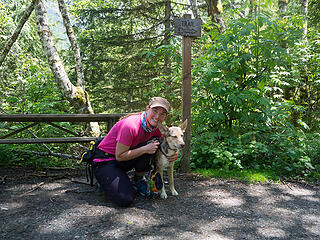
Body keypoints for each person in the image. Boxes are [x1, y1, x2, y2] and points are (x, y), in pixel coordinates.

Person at [93, 97, 179, 207]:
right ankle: (105, 181)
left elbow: (169, 141)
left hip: (125, 159)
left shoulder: (156, 128)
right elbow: (119, 156)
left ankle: (138, 179)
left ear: (165, 116)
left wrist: (175, 153)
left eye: (162, 114)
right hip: (105, 160)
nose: (157, 117)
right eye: (155, 111)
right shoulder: (130, 125)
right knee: (125, 198)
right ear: (147, 109)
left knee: (154, 143)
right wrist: (145, 149)